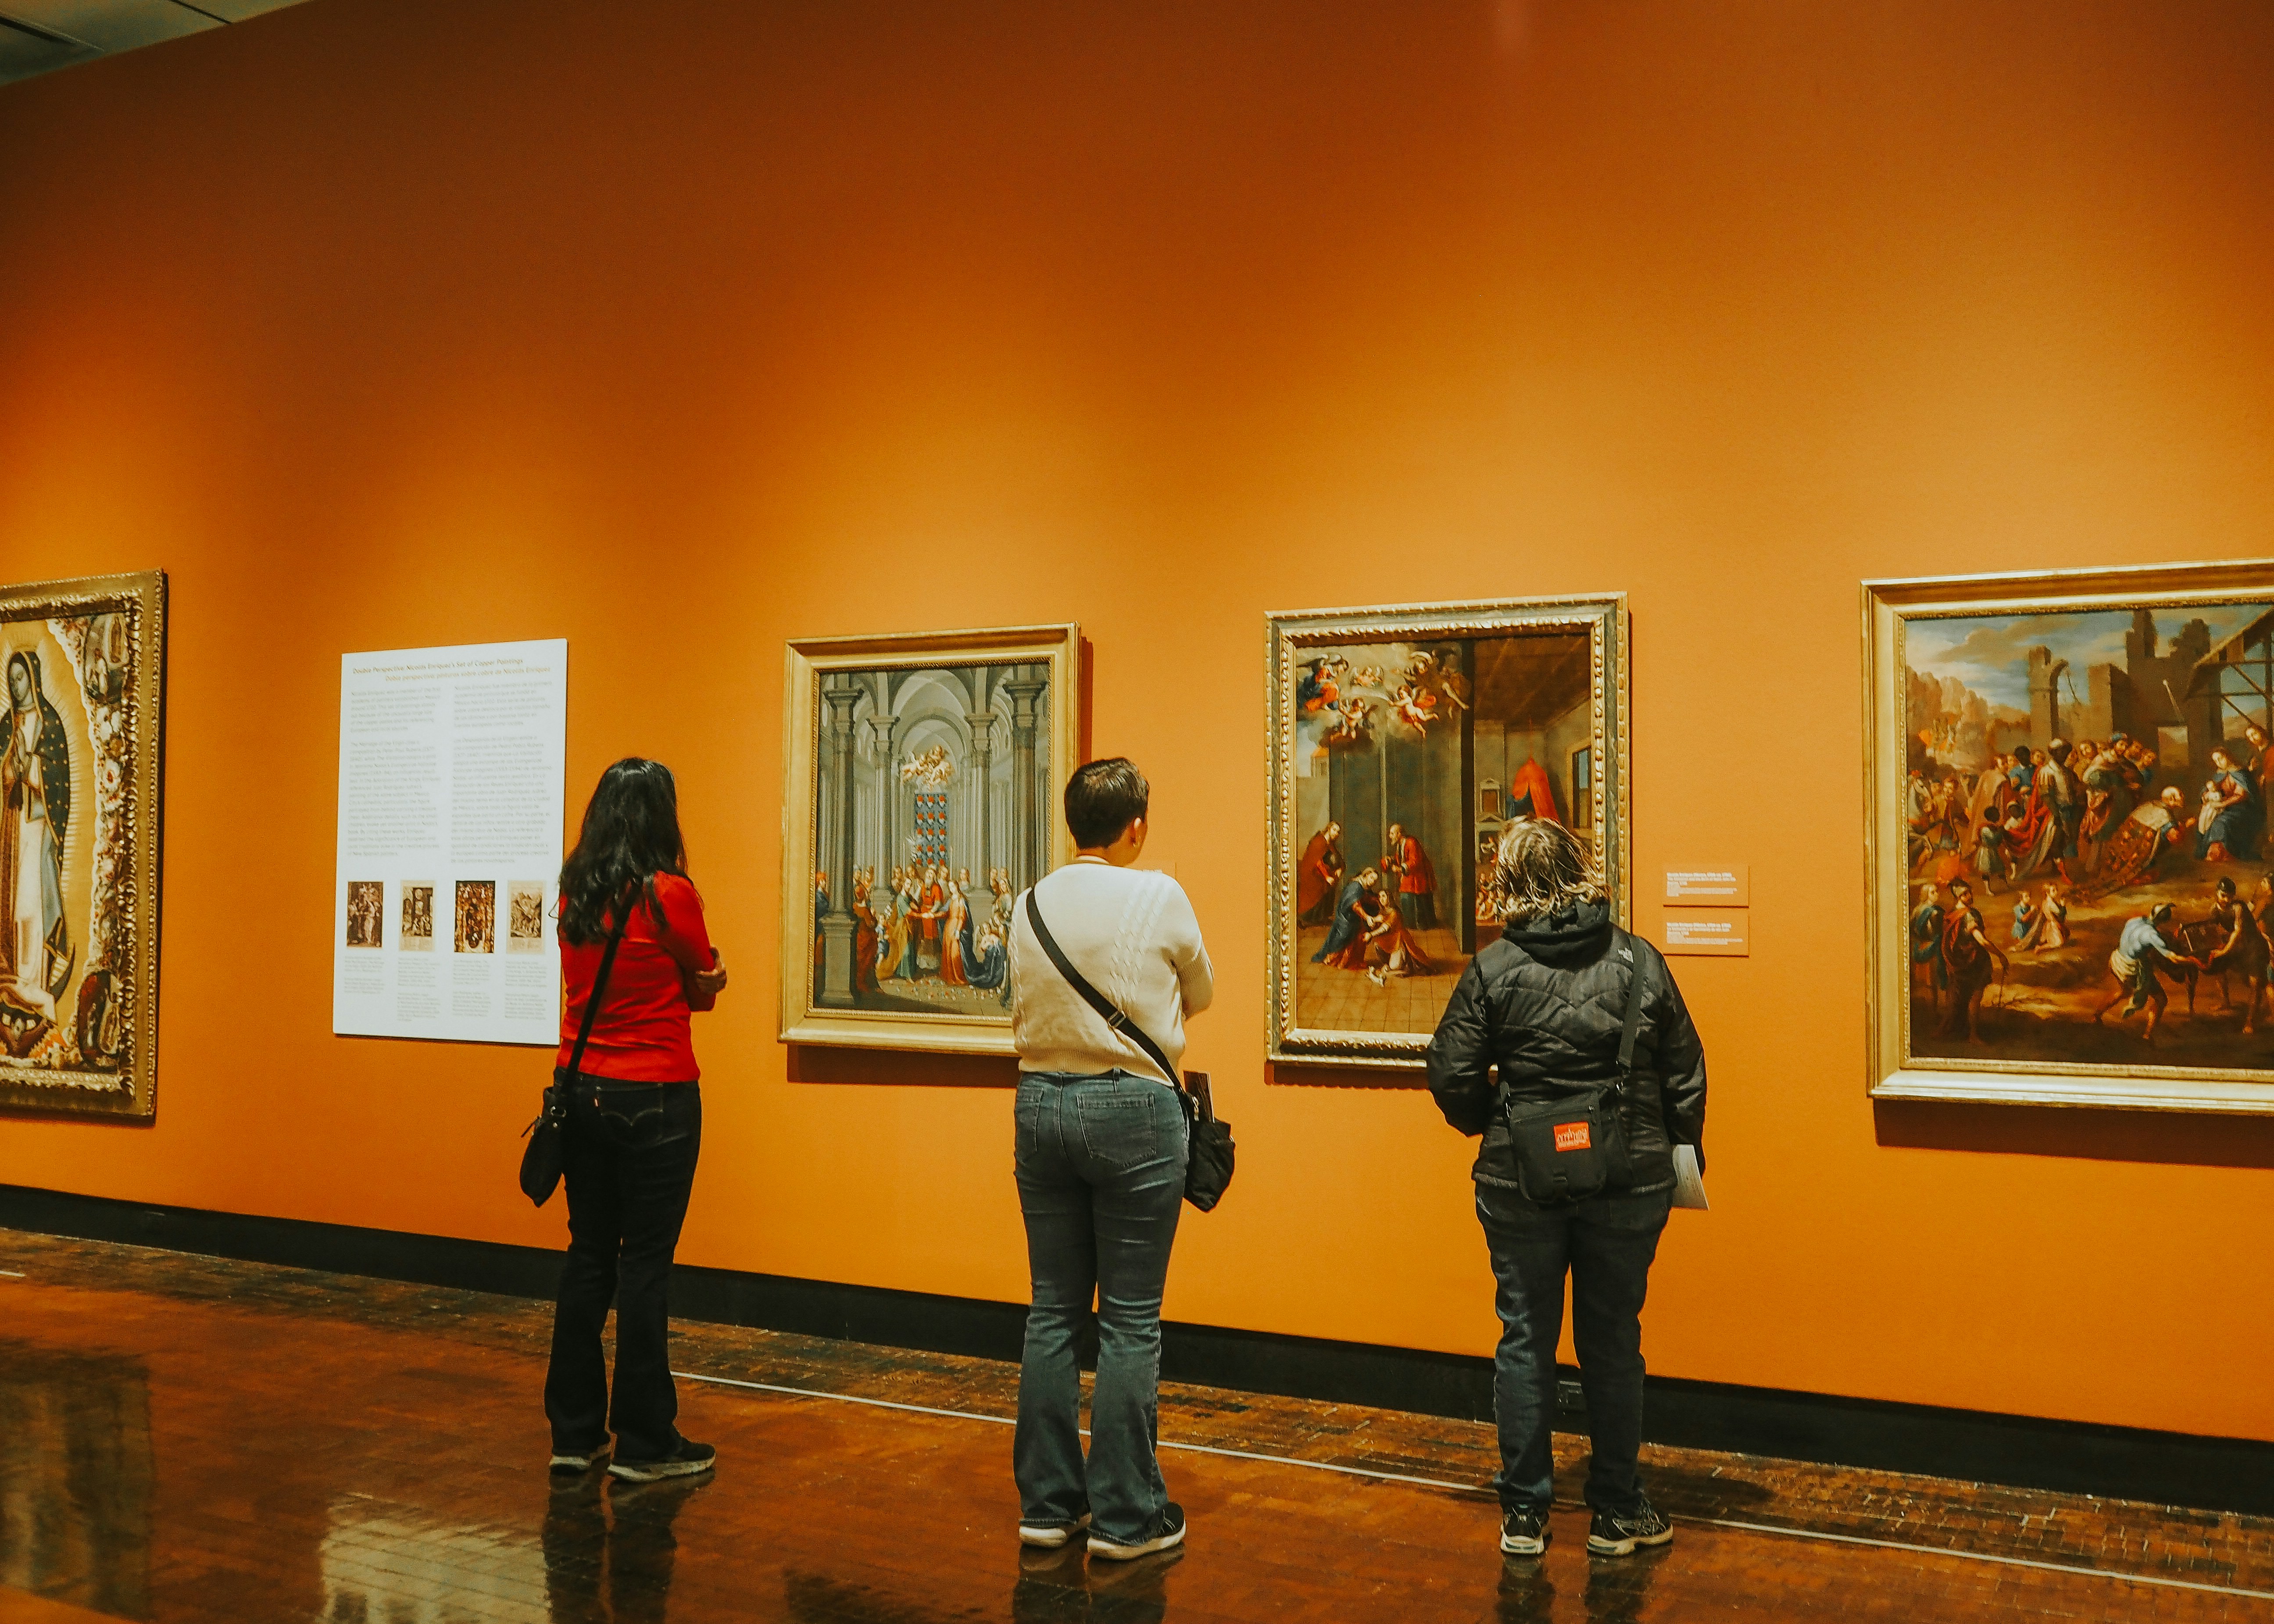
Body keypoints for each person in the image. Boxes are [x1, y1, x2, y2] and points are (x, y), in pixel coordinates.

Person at [1426, 818, 1704, 1561]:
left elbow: (1450, 1076)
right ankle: (1616, 1511)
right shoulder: (1638, 960)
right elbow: (1685, 1072)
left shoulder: (1490, 968)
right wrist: (1679, 1149)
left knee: (1523, 1336)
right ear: (1581, 870)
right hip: (1628, 1179)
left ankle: (1523, 1514)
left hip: (1520, 1179)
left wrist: (1498, 1122)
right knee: (1612, 1340)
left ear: (1508, 882)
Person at [1008, 758, 1212, 1562]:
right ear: (1134, 824)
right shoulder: (1156, 893)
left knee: (1051, 1310)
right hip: (1131, 1107)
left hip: (1037, 1103)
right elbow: (1202, 990)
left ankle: (1049, 1504)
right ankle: (1129, 1515)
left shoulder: (1027, 901)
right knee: (1129, 1317)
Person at [545, 758, 729, 1485]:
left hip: (581, 1088)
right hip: (657, 1095)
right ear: (662, 815)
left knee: (588, 1255)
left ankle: (573, 1431)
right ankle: (647, 1440)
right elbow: (704, 981)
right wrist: (703, 981)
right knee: (644, 1267)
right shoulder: (669, 893)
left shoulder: (574, 891)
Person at [2, 648, 72, 1022]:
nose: (15, 685)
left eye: (20, 677)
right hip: (11, 825)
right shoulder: (5, 725)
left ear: (33, 677)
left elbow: (59, 780)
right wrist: (9, 770)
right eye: (11, 679)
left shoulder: (51, 724)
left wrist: (30, 767)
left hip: (37, 826)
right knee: (10, 903)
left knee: (30, 902)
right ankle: (11, 975)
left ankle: (33, 978)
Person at [2093, 902, 2197, 1046]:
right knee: (2161, 999)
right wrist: (2192, 961)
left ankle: (2096, 1015)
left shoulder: (2134, 921)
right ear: (2164, 920)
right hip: (2131, 969)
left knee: (2124, 992)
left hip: (2117, 959)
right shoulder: (2152, 935)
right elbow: (2172, 957)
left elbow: (2137, 940)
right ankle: (2147, 1035)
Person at [1938, 880, 2005, 1042]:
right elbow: (1981, 941)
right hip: (1974, 961)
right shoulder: (1969, 915)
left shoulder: (1951, 913)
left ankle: (1948, 1029)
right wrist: (2000, 955)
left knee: (1957, 996)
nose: (1970, 896)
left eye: (1970, 892)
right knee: (1975, 997)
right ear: (1959, 897)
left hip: (1958, 961)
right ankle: (1973, 1034)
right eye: (1966, 894)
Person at [1311, 867, 1383, 970]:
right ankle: (1333, 960)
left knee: (1360, 936)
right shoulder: (1356, 887)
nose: (1373, 882)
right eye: (1371, 878)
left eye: (1375, 881)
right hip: (1346, 918)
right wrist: (1367, 917)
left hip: (1355, 918)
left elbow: (1367, 898)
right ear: (1366, 875)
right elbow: (1356, 905)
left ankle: (1354, 962)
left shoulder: (1364, 887)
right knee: (1343, 937)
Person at [1384, 821, 1438, 930]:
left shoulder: (1411, 842)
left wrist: (1400, 868)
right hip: (1410, 876)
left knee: (1419, 900)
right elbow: (1401, 858)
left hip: (1418, 877)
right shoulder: (1400, 844)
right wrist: (1391, 860)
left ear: (1400, 834)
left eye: (1392, 833)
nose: (1390, 836)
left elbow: (1415, 861)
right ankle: (1410, 924)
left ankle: (1423, 925)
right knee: (1406, 897)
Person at [1296, 821, 1346, 926]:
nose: (1336, 833)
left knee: (1331, 884)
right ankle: (1304, 919)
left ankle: (1322, 917)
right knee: (1321, 886)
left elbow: (1338, 858)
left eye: (1338, 832)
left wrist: (1340, 868)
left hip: (1321, 873)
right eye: (1334, 830)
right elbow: (1317, 862)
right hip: (1311, 873)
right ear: (1329, 829)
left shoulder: (1330, 844)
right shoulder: (1319, 842)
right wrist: (1327, 877)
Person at [1909, 882, 1946, 1015]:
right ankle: (1934, 1012)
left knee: (1930, 984)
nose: (1937, 894)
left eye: (1937, 891)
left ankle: (1934, 1012)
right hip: (1931, 948)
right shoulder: (1933, 912)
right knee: (1933, 982)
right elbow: (1938, 933)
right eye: (1933, 892)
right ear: (1926, 895)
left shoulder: (1918, 910)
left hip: (1922, 947)